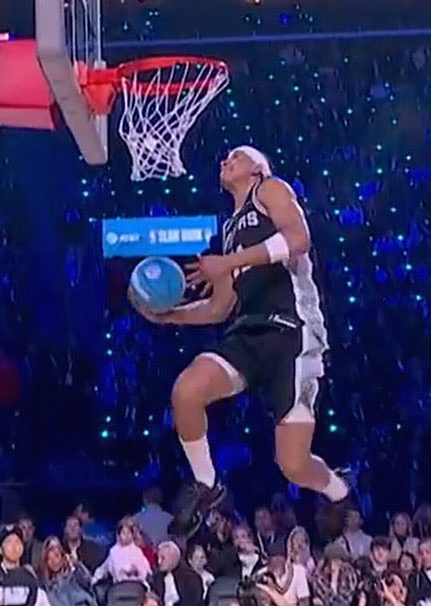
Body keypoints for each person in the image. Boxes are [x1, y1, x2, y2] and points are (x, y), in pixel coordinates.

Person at [130, 146, 350, 535]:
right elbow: (220, 307)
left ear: (257, 168)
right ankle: (207, 483)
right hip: (248, 331)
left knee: (293, 465)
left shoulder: (270, 189)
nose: (224, 160)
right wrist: (168, 316)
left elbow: (298, 239)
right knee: (186, 392)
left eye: (236, 156)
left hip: (292, 331)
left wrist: (227, 263)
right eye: (224, 157)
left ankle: (340, 490)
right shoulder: (229, 229)